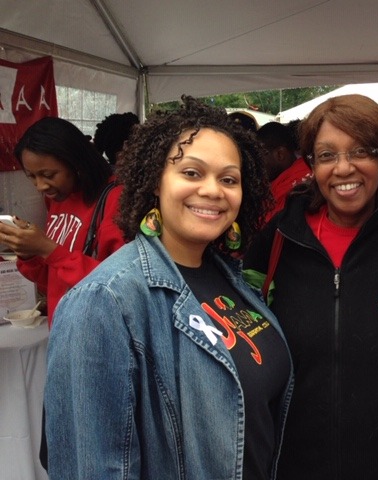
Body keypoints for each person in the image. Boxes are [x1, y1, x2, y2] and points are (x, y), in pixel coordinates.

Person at [44, 96, 294, 479]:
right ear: (154, 182)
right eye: (192, 173)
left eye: (229, 179)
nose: (213, 190)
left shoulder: (230, 276)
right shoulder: (105, 301)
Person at [243, 94, 378, 480]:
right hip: (296, 465)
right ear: (312, 165)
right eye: (326, 155)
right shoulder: (281, 237)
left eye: (360, 152)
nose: (343, 168)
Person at [0, 116, 125, 325]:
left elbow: (122, 286)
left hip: (97, 334)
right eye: (31, 176)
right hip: (63, 330)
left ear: (76, 163)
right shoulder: (58, 198)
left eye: (48, 174)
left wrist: (48, 248)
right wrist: (29, 253)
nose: (40, 186)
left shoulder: (116, 198)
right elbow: (53, 282)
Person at [256, 121, 312, 222]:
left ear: (280, 154)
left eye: (259, 157)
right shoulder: (307, 167)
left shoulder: (293, 188)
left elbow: (265, 226)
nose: (255, 164)